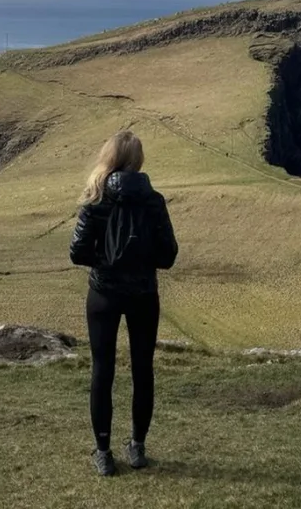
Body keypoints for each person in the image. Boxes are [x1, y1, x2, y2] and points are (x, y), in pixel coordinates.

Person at [69, 130, 179, 477]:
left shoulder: (97, 197)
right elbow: (168, 255)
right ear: (138, 161)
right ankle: (138, 447)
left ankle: (103, 451)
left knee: (103, 371)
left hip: (103, 293)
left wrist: (105, 258)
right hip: (144, 294)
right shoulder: (153, 201)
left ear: (110, 158)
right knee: (142, 369)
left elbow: (77, 252)